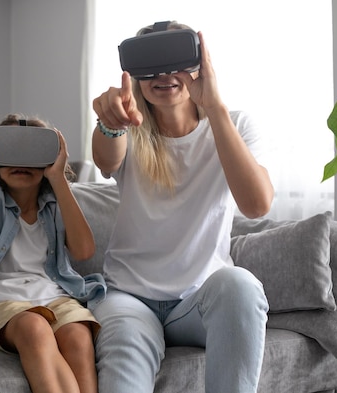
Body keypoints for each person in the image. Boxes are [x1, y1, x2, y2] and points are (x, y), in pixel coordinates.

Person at [90, 21, 274, 393]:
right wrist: (109, 125)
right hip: (129, 297)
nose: (163, 74)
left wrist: (214, 107)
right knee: (124, 346)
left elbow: (256, 206)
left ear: (198, 62)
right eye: (151, 65)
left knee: (241, 285)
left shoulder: (233, 124)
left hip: (198, 300)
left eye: (175, 61)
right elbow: (106, 159)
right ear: (135, 73)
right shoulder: (129, 124)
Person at [0, 107, 106, 393]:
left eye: (32, 152)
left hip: (56, 298)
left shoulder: (54, 204)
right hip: (2, 303)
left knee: (77, 336)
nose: (21, 162)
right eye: (11, 151)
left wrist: (59, 179)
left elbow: (84, 251)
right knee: (35, 328)